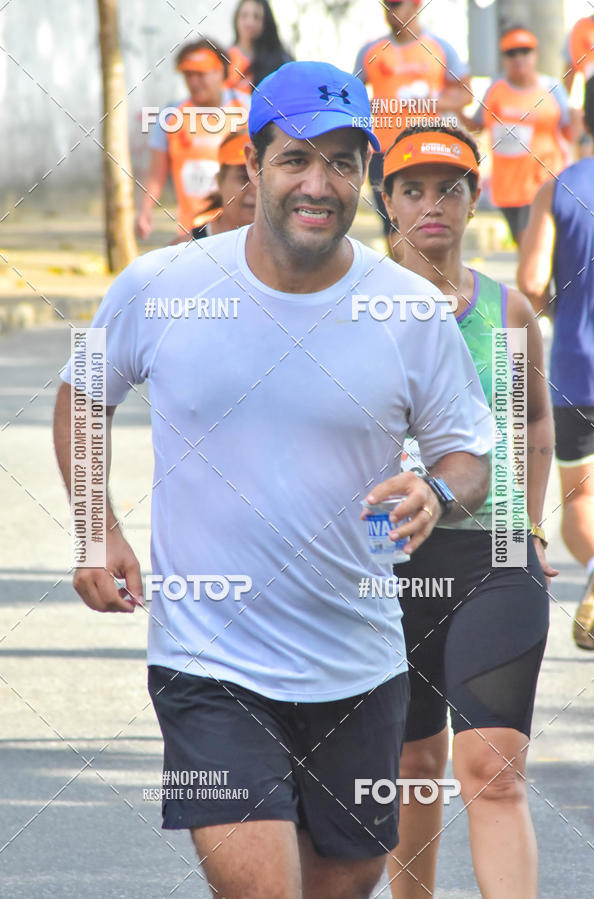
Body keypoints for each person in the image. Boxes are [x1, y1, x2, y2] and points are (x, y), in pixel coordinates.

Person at [54, 61, 494, 898]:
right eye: (296, 158)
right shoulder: (163, 286)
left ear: (363, 175)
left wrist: (436, 493)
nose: (319, 184)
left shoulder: (404, 310)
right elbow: (81, 397)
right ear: (251, 167)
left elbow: (468, 452)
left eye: (342, 161)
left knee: (343, 884)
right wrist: (92, 526)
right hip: (206, 666)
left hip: (362, 667)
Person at [381, 124, 556, 898]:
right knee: (412, 763)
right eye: (411, 189)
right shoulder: (350, 307)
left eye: (449, 188)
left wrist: (535, 524)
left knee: (491, 766)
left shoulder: (509, 311)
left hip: (496, 557)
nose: (431, 205)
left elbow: (535, 424)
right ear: (385, 202)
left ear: (475, 198)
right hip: (386, 566)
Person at [518, 71, 594, 652]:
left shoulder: (560, 187)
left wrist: (561, 308)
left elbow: (527, 281)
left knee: (584, 500)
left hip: (578, 369)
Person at [354, 0, 470, 233]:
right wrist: (374, 106)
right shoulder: (371, 51)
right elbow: (351, 95)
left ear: (416, 5)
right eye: (386, 5)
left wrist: (428, 102)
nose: (390, 11)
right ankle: (399, 269)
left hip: (427, 147)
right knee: (392, 223)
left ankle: (424, 269)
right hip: (383, 151)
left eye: (396, 4)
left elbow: (466, 94)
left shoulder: (439, 47)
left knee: (427, 221)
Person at [136, 39, 249, 241]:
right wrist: (145, 209)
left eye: (201, 74)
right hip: (192, 231)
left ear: (221, 72)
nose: (194, 82)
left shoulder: (247, 109)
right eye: (188, 75)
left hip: (238, 231)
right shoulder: (171, 116)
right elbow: (156, 174)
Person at [470, 26, 571, 248]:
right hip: (506, 188)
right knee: (524, 246)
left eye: (525, 51)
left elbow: (571, 130)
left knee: (534, 247)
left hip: (541, 185)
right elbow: (475, 125)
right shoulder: (495, 90)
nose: (519, 58)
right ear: (504, 57)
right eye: (512, 52)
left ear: (535, 54)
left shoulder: (552, 88)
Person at [183, 130, 257, 240]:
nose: (255, 188)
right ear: (220, 181)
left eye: (262, 177)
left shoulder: (287, 249)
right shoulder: (186, 249)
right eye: (244, 177)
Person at [226, 0, 292, 94]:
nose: (250, 22)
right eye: (244, 15)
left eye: (256, 17)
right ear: (236, 18)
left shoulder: (278, 60)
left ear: (265, 22)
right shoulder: (226, 59)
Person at [564, 1, 594, 154]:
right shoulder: (581, 28)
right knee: (590, 150)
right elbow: (570, 70)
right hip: (592, 101)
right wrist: (569, 108)